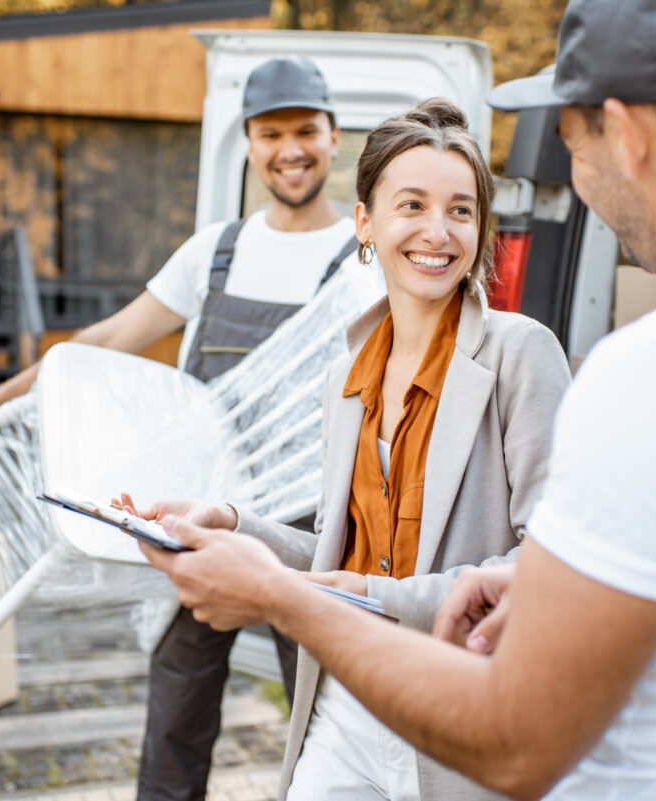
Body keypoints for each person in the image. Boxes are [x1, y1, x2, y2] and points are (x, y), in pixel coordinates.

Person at [136, 1, 656, 799]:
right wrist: (548, 580)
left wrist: (282, 596)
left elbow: (519, 744)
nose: (579, 177)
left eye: (572, 141)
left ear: (627, 135)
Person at [0, 56, 367, 801]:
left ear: (334, 138)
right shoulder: (216, 252)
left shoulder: (362, 264)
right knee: (175, 714)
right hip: (198, 520)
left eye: (305, 131)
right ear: (250, 143)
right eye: (271, 134)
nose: (289, 149)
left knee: (321, 718)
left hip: (309, 526)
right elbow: (97, 346)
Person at [120, 99, 570, 800]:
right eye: (411, 205)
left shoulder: (522, 356)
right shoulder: (346, 376)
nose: (437, 231)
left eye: (460, 210)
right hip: (346, 703)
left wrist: (377, 596)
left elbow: (552, 568)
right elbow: (336, 556)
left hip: (460, 717)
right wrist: (236, 524)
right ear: (365, 221)